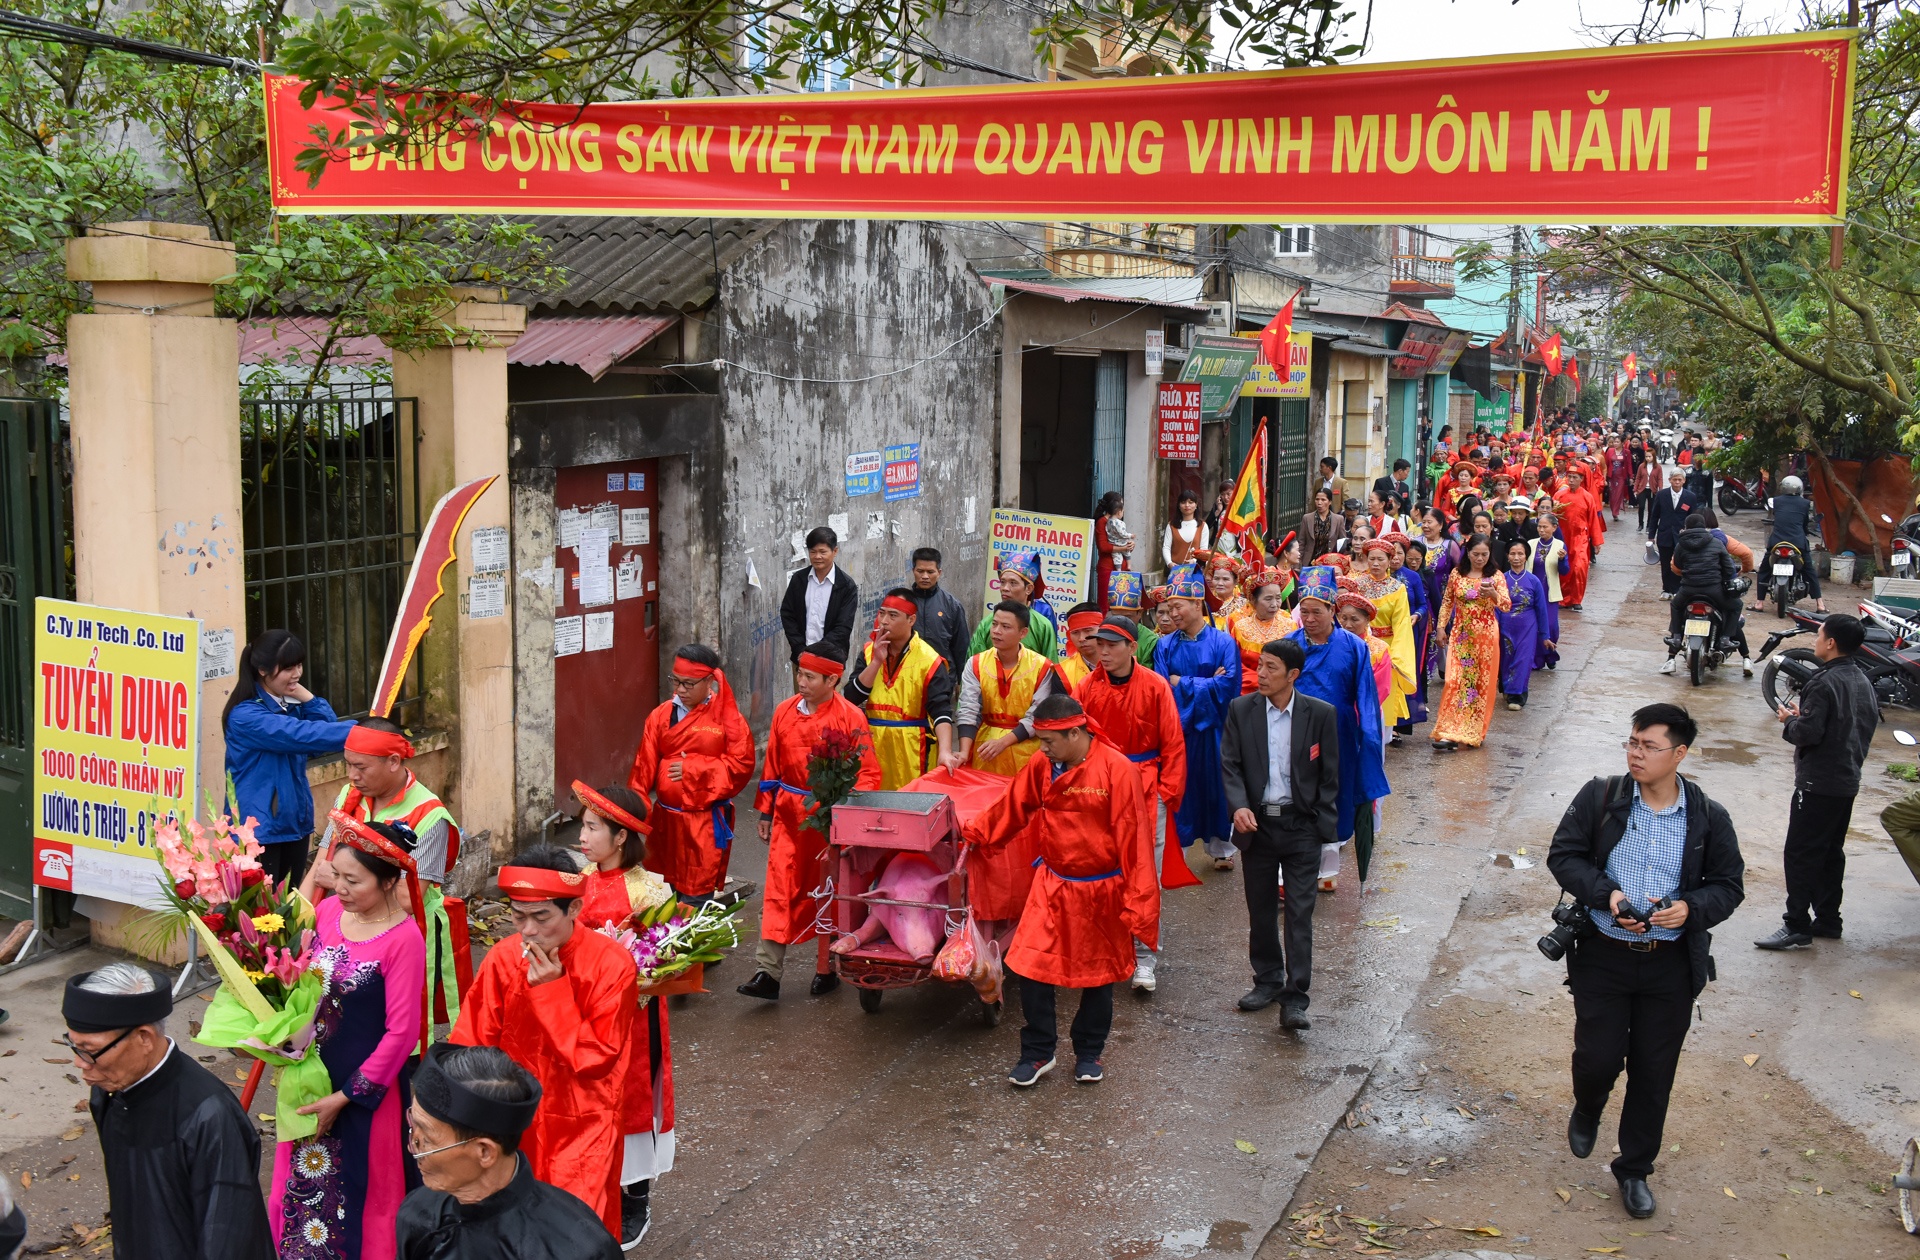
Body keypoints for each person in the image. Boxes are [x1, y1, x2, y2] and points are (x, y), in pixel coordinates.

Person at [1547, 704, 1745, 1222]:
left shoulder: (1708, 816)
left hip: (1670, 965)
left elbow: (1729, 886)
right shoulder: (1601, 797)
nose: (1636, 754)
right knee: (1597, 1058)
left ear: (1679, 754)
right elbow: (1563, 856)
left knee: (1654, 1073)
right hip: (1604, 957)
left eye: (1649, 746)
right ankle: (1588, 1104)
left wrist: (1690, 910)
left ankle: (1634, 1169)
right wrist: (1607, 896)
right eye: (1632, 742)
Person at [962, 695, 1158, 1087]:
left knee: (1099, 977)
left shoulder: (1117, 770)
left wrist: (1140, 905)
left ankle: (1089, 1052)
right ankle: (1038, 1052)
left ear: (1075, 732)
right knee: (1031, 967)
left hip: (1102, 889)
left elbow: (1136, 842)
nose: (1042, 748)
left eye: (1049, 741)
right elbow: (1013, 807)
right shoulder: (1044, 764)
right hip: (1051, 883)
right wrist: (974, 834)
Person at [451, 847, 635, 1238]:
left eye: (541, 917)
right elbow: (471, 1045)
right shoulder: (503, 958)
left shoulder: (612, 964)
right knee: (505, 1228)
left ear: (574, 909)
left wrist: (552, 990)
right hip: (512, 1121)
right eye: (518, 916)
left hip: (584, 1120)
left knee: (574, 1229)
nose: (528, 930)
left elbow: (596, 1058)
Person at [278, 813, 428, 1260]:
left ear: (387, 882)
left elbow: (401, 1034)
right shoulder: (327, 913)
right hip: (310, 1076)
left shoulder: (404, 939)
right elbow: (300, 984)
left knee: (363, 1192)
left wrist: (345, 1097)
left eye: (353, 880)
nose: (339, 888)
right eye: (337, 875)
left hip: (364, 1094)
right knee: (303, 1187)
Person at [64, 963, 273, 1260]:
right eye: (74, 1046)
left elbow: (229, 1235)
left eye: (89, 1049)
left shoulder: (209, 1116)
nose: (80, 1063)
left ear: (144, 1038)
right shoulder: (108, 1089)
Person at [740, 646, 880, 1003]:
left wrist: (845, 815)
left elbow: (867, 775)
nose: (800, 682)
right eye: (799, 674)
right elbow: (772, 765)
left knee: (827, 891)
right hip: (788, 816)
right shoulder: (784, 712)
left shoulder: (851, 718)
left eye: (809, 677)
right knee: (778, 890)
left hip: (828, 821)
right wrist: (766, 813)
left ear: (832, 680)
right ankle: (767, 972)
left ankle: (826, 967)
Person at [570, 782, 676, 1247]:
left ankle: (635, 1197)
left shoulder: (651, 890)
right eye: (582, 825)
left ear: (620, 838)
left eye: (593, 827)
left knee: (630, 1102)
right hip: (576, 1013)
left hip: (632, 1018)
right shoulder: (573, 880)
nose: (582, 835)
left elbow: (667, 959)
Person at [397, 1043, 622, 1260]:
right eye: (413, 1129)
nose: (413, 1148)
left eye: (426, 1140)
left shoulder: (581, 1249)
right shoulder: (419, 1213)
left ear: (485, 1152)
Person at [313, 717, 465, 1027]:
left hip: (403, 936)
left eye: (362, 767)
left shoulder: (430, 815)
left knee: (397, 1024)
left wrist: (340, 880)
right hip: (352, 926)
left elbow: (409, 900)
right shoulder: (348, 796)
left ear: (394, 761)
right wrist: (300, 922)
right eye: (349, 765)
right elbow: (319, 868)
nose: (352, 776)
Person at [1221, 639, 1340, 1030]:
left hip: (1300, 826)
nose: (1261, 674)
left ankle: (1295, 997)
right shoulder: (1242, 710)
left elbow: (1330, 775)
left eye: (1271, 668)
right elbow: (1231, 765)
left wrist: (1321, 822)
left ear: (1293, 675)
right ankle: (1268, 980)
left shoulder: (1320, 714)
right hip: (1258, 826)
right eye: (1260, 666)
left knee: (1300, 914)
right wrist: (1238, 806)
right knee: (1260, 909)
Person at [1074, 614, 1196, 993]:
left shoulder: (1156, 686)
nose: (1103, 651)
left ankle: (1145, 958)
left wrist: (1166, 792)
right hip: (1100, 787)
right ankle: (1108, 951)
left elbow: (1173, 741)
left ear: (1132, 647)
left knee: (1145, 874)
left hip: (1146, 786)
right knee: (1100, 870)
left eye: (1112, 645)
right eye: (1100, 644)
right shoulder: (1085, 687)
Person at [1756, 614, 1876, 950]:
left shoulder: (1822, 683)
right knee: (1829, 853)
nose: (1816, 640)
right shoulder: (1861, 680)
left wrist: (1789, 721)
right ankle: (1828, 919)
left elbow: (1809, 734)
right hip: (1846, 780)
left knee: (1800, 853)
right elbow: (1855, 727)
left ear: (1831, 642)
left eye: (1819, 634)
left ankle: (1796, 925)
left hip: (1818, 783)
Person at [955, 601, 1065, 932]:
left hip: (1026, 753)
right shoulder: (976, 663)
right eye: (994, 625)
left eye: (1005, 627)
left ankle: (1024, 896)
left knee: (1025, 823)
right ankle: (985, 896)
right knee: (987, 824)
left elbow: (1038, 715)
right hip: (984, 751)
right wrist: (963, 752)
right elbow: (968, 707)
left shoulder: (1042, 667)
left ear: (1023, 633)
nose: (997, 632)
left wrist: (1005, 741)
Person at [1284, 567, 1389, 892]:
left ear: (1333, 610)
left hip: (1339, 734)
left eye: (1317, 611)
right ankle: (1288, 872)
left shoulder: (1354, 647)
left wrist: (1368, 742)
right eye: (1305, 611)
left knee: (1333, 798)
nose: (1310, 618)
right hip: (1294, 732)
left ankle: (1327, 868)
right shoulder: (1288, 645)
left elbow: (1367, 700)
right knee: (1293, 796)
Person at [224, 630, 355, 888]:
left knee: (290, 910)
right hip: (260, 832)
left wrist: (304, 696)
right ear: (262, 670)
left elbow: (323, 733)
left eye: (299, 665)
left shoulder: (287, 707)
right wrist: (362, 730)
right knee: (264, 917)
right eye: (287, 668)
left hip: (293, 824)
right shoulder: (247, 716)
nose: (296, 673)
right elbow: (305, 734)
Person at [628, 644, 755, 901]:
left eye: (688, 683)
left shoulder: (727, 719)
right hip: (666, 822)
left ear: (709, 680)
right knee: (670, 891)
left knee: (696, 896)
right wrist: (634, 815)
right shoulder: (660, 716)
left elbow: (742, 765)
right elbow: (643, 766)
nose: (680, 690)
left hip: (703, 823)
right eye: (675, 681)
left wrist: (694, 768)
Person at [1153, 564, 1242, 871]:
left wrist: (1185, 682)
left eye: (1177, 607)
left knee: (1217, 786)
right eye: (1168, 608)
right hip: (1179, 730)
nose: (1172, 614)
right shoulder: (1164, 645)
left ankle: (1222, 850)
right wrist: (1206, 683)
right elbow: (1163, 688)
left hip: (1216, 728)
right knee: (1182, 789)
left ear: (1196, 603)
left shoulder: (1223, 641)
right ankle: (1176, 851)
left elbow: (1230, 685)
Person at [847, 589, 959, 788]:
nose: (884, 621)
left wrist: (945, 750)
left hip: (913, 749)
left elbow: (941, 711)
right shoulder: (869, 651)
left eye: (893, 615)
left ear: (911, 619)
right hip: (872, 746)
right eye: (881, 613)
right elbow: (850, 698)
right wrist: (875, 663)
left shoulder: (929, 660)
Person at [1431, 534, 1512, 752]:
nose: (1480, 558)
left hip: (1485, 637)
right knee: (1454, 681)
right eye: (1476, 554)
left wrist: (1494, 594)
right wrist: (1440, 627)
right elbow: (1447, 602)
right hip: (1461, 635)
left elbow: (1506, 606)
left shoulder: (1496, 576)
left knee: (1479, 685)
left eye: (1484, 554)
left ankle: (1472, 731)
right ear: (1468, 552)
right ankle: (1449, 730)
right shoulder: (1457, 574)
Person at [1660, 513, 1752, 677]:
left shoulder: (1681, 544)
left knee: (1675, 606)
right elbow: (1728, 569)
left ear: (1687, 527)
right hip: (1714, 591)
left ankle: (1676, 637)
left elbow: (1678, 565)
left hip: (1688, 590)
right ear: (1704, 526)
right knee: (1736, 606)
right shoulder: (1716, 542)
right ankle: (1725, 638)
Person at [1348, 540, 1416, 740]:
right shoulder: (1357, 585)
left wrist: (1396, 656)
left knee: (1383, 693)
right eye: (1372, 559)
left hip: (1387, 646)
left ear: (1389, 561)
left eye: (1380, 559)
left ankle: (1381, 737)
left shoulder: (1397, 588)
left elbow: (1402, 624)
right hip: (1360, 643)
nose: (1375, 563)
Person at [779, 526, 858, 664]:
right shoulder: (799, 579)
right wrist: (800, 649)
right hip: (801, 658)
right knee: (801, 686)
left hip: (831, 660)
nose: (817, 557)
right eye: (813, 551)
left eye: (823, 552)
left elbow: (843, 628)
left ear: (835, 551)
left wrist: (817, 652)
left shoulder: (846, 586)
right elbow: (788, 614)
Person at [1755, 475, 1825, 613]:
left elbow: (1777, 517)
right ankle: (1820, 605)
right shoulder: (1805, 503)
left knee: (1764, 570)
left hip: (1777, 542)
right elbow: (1804, 522)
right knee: (1809, 571)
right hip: (1797, 542)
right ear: (1799, 488)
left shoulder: (1775, 501)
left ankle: (1759, 603)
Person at [970, 551, 1060, 658]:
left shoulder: (1043, 626)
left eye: (1013, 583)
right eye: (1002, 582)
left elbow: (1050, 669)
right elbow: (974, 665)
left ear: (1028, 589)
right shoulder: (986, 624)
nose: (1005, 588)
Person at [1497, 539, 1551, 710]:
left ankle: (1518, 696)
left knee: (1523, 659)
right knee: (1506, 658)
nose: (1516, 557)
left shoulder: (1534, 581)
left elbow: (1541, 609)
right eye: (1513, 553)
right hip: (1505, 624)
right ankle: (1506, 688)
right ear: (1507, 556)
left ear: (1526, 556)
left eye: (1520, 554)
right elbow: (1495, 604)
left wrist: (1545, 635)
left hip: (1527, 626)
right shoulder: (1501, 579)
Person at [903, 547, 972, 676]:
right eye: (920, 571)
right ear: (913, 571)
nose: (925, 576)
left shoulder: (952, 605)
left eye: (930, 572)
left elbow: (961, 646)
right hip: (908, 675)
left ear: (939, 572)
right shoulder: (903, 603)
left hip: (942, 676)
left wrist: (961, 680)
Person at [1228, 565, 1297, 693]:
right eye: (1268, 599)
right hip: (1247, 691)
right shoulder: (1240, 627)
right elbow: (1234, 663)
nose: (1275, 604)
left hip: (1281, 691)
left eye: (1278, 598)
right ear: (1253, 600)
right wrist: (1256, 680)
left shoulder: (1290, 626)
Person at [1552, 468, 1603, 611]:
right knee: (1563, 567)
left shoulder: (1587, 497)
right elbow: (1551, 516)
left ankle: (1576, 599)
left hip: (1581, 538)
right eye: (1570, 477)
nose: (1572, 480)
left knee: (1579, 567)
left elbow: (1593, 520)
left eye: (1575, 477)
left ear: (1581, 479)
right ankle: (1563, 599)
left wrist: (1597, 541)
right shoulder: (1559, 495)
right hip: (1562, 537)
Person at [1645, 469, 1697, 600]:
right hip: (1665, 534)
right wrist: (1651, 535)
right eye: (1675, 480)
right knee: (1665, 564)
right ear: (1670, 480)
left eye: (1680, 480)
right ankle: (1666, 589)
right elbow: (1654, 515)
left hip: (1681, 537)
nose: (1677, 482)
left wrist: (1690, 533)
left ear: (1684, 481)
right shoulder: (1662, 495)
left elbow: (1693, 517)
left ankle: (1677, 590)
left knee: (1679, 564)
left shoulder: (1690, 497)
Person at [1528, 513, 1570, 671]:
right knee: (1535, 624)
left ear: (1554, 528)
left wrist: (1562, 560)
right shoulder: (1531, 544)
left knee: (1551, 625)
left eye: (1545, 527)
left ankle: (1550, 653)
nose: (1541, 530)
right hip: (1533, 591)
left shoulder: (1560, 545)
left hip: (1549, 591)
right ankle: (1538, 659)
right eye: (1539, 526)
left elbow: (1565, 571)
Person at [1106, 571, 1159, 666]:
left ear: (1140, 613)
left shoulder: (1151, 641)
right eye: (1116, 616)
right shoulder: (1104, 636)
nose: (1121, 622)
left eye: (1128, 617)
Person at [1094, 492, 1135, 614]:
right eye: (1121, 504)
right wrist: (1124, 548)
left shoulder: (1117, 521)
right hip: (1107, 568)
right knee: (1105, 605)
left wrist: (1131, 545)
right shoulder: (1102, 522)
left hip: (1121, 566)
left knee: (1122, 603)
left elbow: (1123, 540)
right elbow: (1103, 547)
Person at [1057, 603, 1104, 691]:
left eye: (1088, 630)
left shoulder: (1122, 666)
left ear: (1102, 629)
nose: (1081, 638)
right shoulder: (1062, 673)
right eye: (1075, 633)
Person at [1162, 490, 1211, 569]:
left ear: (1196, 505)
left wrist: (1195, 560)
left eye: (1191, 502)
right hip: (1175, 570)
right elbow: (1166, 547)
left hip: (1195, 569)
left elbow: (1203, 550)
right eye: (1183, 502)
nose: (1187, 505)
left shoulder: (1203, 526)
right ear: (1179, 505)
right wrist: (1169, 563)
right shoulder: (1171, 525)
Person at [1298, 488, 1346, 564]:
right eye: (1317, 499)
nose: (1319, 503)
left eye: (1323, 500)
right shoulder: (1307, 518)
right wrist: (1298, 564)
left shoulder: (1338, 519)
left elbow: (1342, 544)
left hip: (1330, 563)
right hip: (1310, 562)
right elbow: (1301, 543)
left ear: (1330, 502)